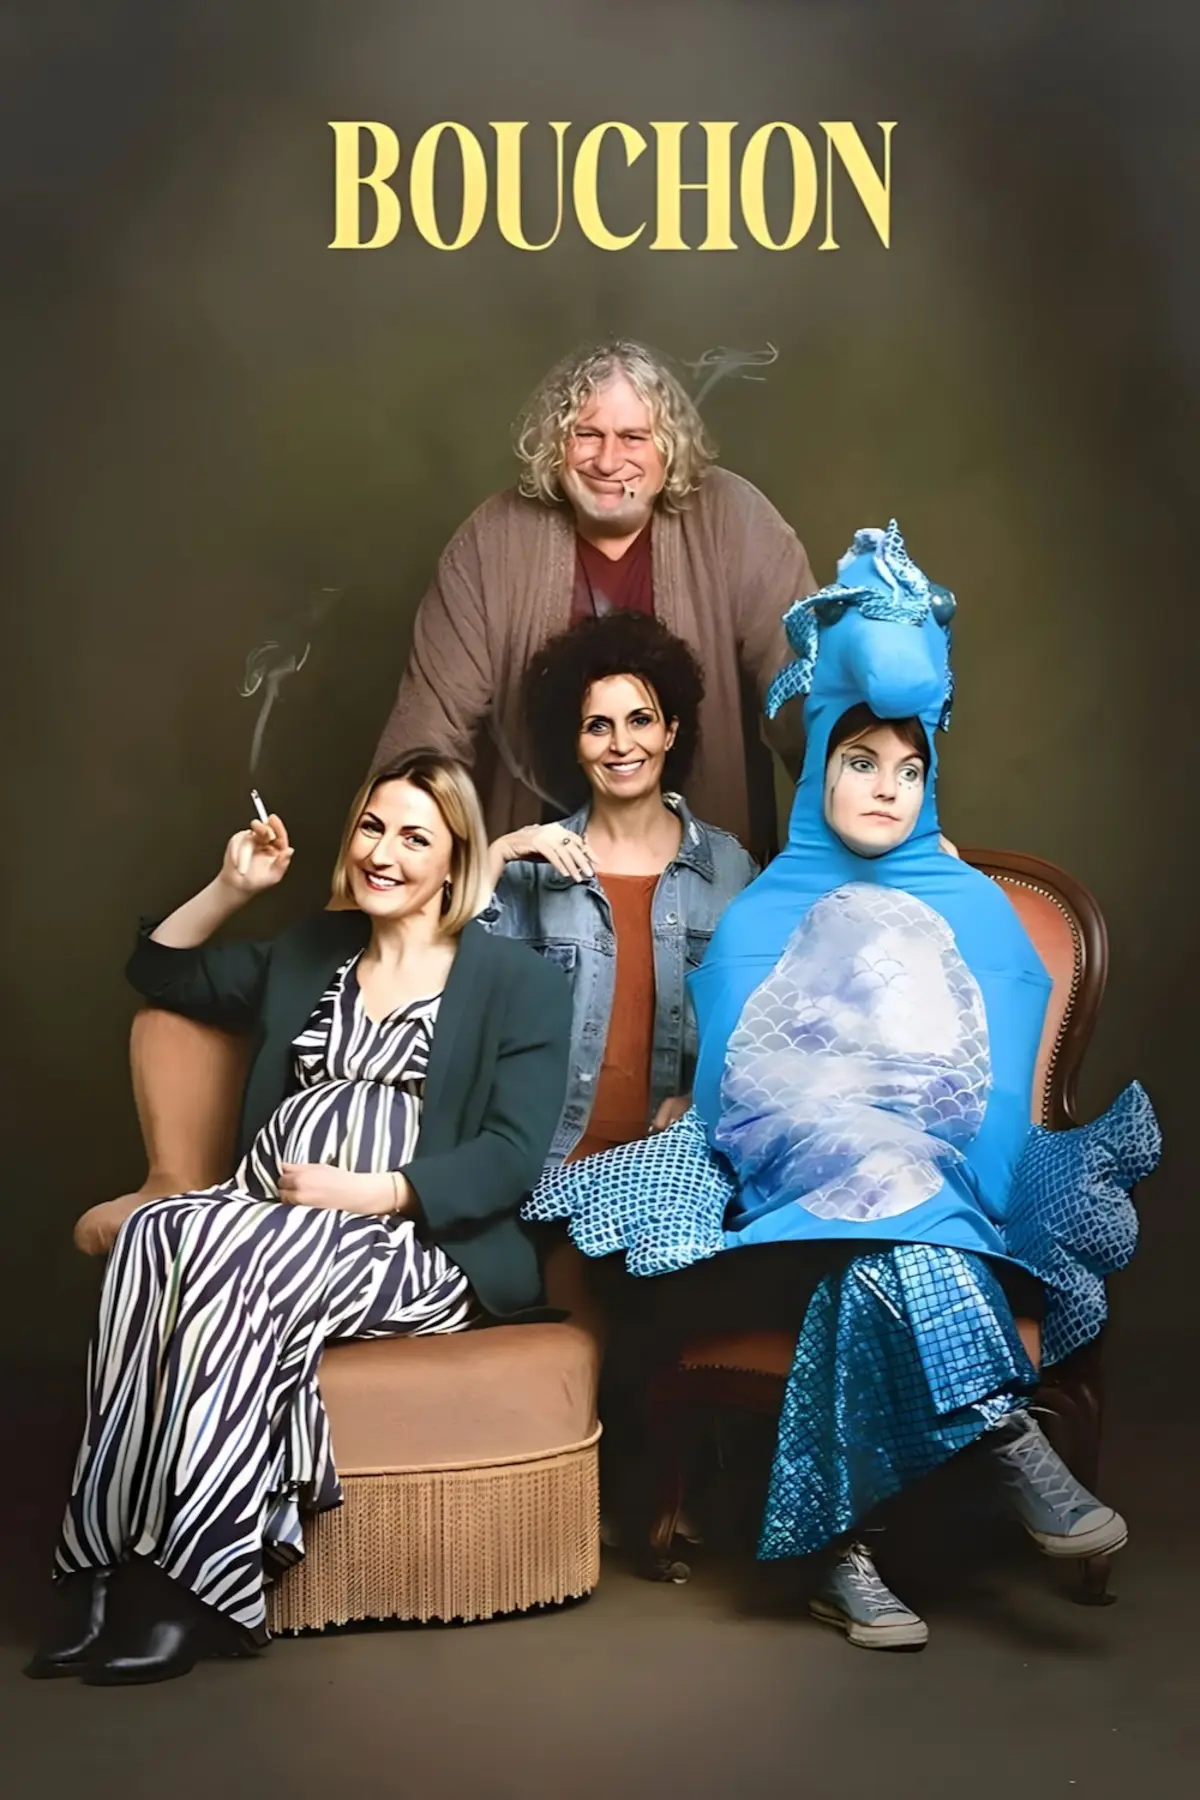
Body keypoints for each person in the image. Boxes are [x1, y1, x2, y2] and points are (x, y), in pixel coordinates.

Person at [528, 524, 1151, 1649]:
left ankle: (840, 1553)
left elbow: (998, 1111)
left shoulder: (976, 911)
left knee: (887, 1258)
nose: (888, 790)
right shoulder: (762, 909)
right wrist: (856, 1133)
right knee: (873, 1181)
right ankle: (1005, 1434)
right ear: (820, 766)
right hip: (793, 1205)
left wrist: (915, 1152)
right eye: (861, 762)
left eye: (911, 770)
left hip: (942, 1207)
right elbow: (745, 1097)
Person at [27, 751, 571, 1687]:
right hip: (265, 1207)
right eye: (372, 828)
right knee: (155, 1234)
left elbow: (512, 1154)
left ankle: (193, 1581)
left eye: (415, 838)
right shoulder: (312, 950)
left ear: (456, 859)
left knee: (243, 1259)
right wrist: (232, 887)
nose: (384, 854)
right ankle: (101, 1565)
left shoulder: (515, 981)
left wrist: (377, 1191)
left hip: (413, 1240)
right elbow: (157, 971)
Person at [373, 338, 817, 864]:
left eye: (633, 437)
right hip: (533, 879)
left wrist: (879, 833)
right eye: (586, 434)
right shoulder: (491, 542)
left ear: (669, 446)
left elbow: (806, 696)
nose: (608, 461)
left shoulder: (736, 522)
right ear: (554, 443)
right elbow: (429, 734)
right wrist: (397, 861)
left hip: (712, 880)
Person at [481, 613, 757, 1164]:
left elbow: (763, 1031)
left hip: (677, 1167)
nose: (621, 745)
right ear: (574, 742)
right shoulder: (528, 865)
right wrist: (495, 856)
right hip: (544, 1164)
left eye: (640, 720)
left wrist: (703, 1099)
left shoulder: (732, 870)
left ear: (670, 732)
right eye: (597, 726)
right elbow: (447, 1002)